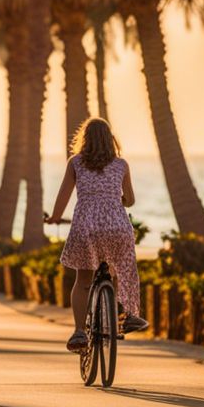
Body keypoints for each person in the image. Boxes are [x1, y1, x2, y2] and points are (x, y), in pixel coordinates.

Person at [45, 117, 149, 353]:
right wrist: (115, 199)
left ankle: (80, 332)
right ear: (110, 140)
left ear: (85, 139)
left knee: (83, 281)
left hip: (86, 227)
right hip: (117, 227)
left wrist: (53, 218)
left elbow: (63, 197)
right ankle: (125, 313)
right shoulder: (121, 164)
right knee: (117, 271)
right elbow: (130, 200)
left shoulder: (76, 163)